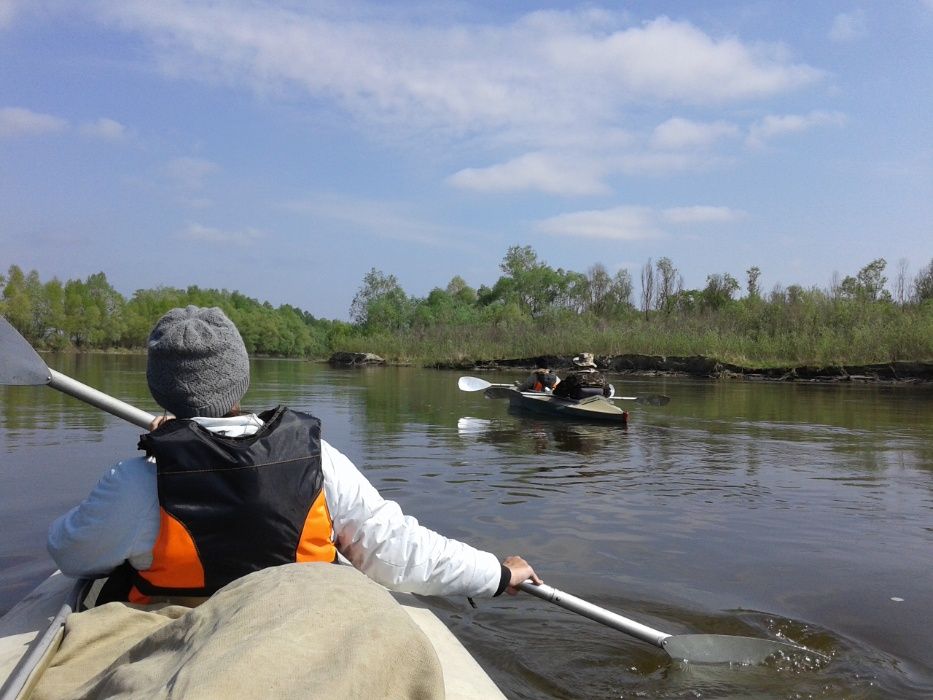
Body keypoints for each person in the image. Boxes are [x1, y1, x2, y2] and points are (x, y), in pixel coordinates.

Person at [47, 306, 540, 603]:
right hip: (301, 619)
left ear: (160, 391)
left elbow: (68, 553)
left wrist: (167, 448)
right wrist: (495, 574)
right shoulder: (315, 459)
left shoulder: (136, 481)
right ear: (241, 379)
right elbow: (398, 552)